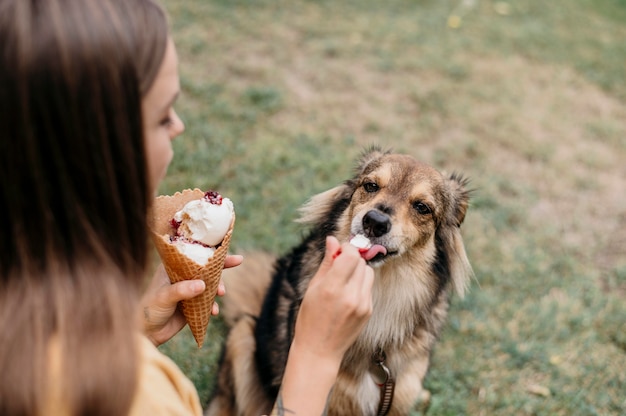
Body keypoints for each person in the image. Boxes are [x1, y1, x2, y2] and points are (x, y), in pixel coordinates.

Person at [0, 0, 374, 415]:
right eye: (162, 117)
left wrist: (132, 334)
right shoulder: (138, 396)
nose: (179, 126)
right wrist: (315, 356)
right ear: (97, 154)